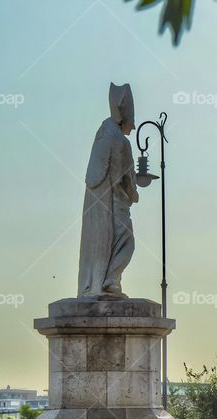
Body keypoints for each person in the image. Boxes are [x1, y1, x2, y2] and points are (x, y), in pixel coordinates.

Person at [77, 83, 140, 298]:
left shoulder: (102, 135)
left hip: (97, 207)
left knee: (98, 242)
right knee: (127, 241)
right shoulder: (121, 142)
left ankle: (96, 281)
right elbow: (128, 182)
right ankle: (111, 279)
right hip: (118, 205)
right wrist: (135, 194)